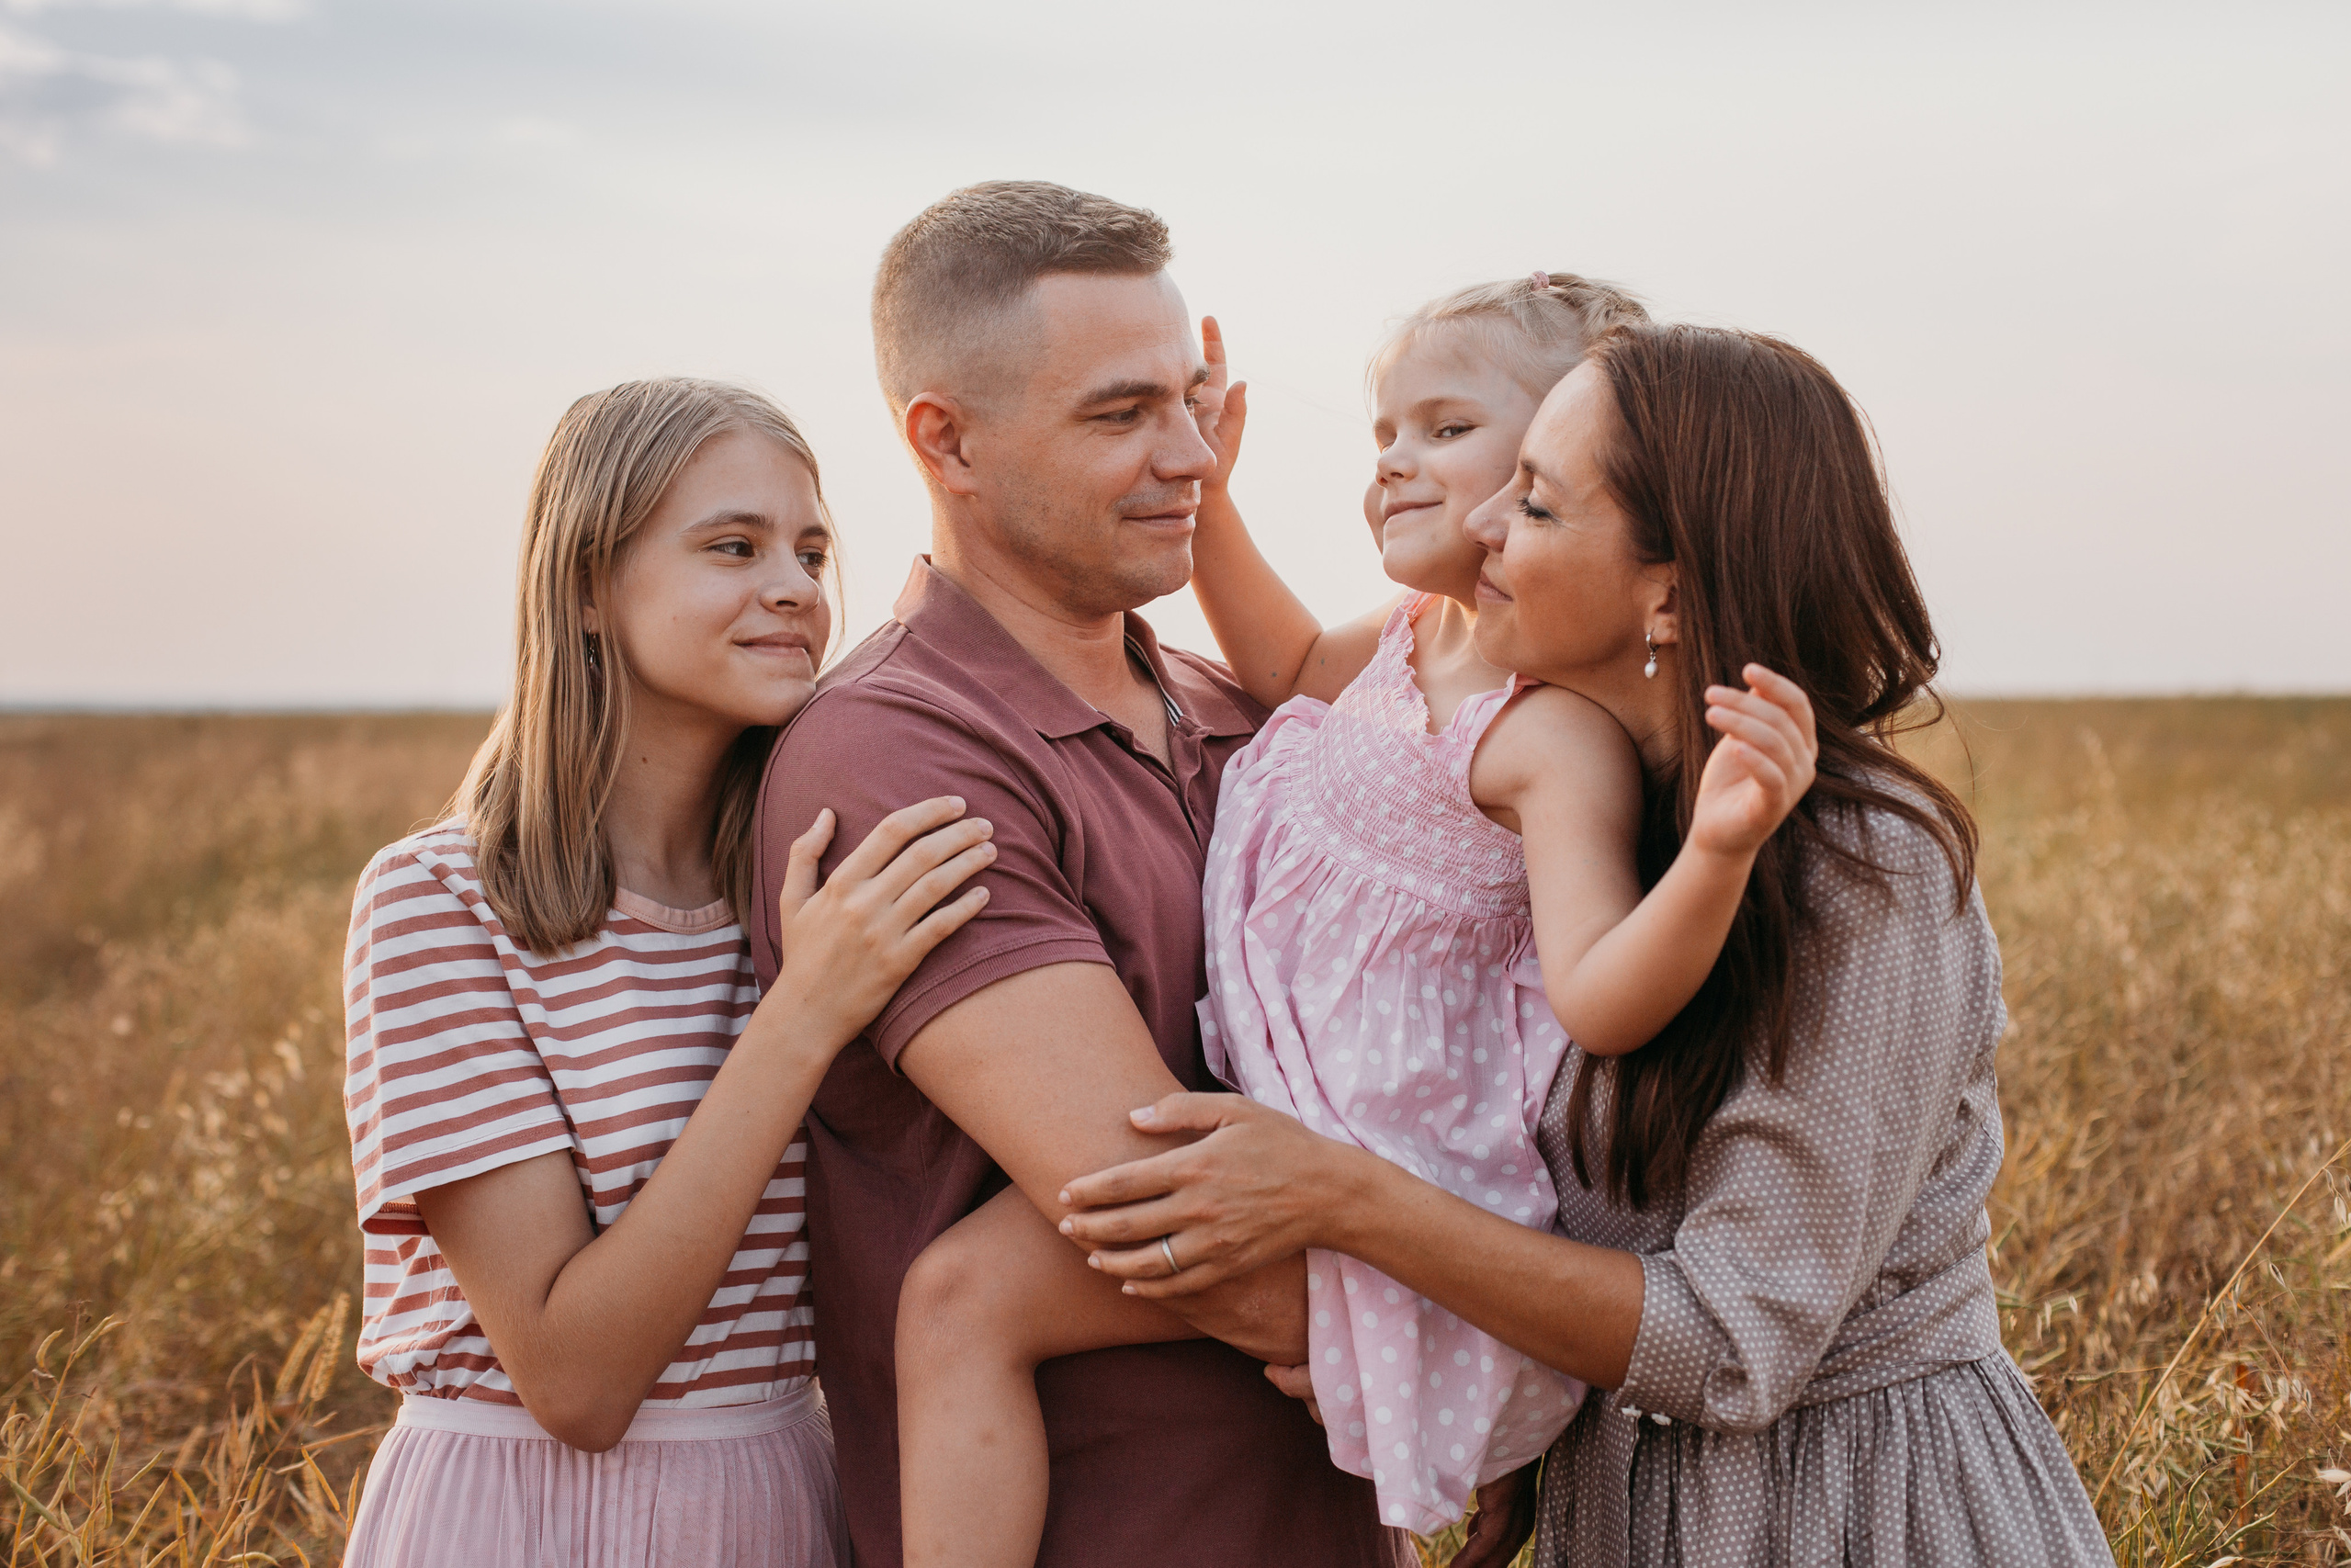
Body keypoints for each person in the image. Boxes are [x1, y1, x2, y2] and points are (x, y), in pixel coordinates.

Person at [1061, 323, 2118, 1567]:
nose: (1488, 528)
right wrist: (1529, 1418)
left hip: (1847, 1511)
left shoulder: (1859, 868)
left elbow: (1733, 1339)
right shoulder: (1576, 827)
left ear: (1667, 588)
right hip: (1626, 1501)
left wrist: (1339, 1199)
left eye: (1540, 505)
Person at [898, 270, 1821, 1548]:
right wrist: (1210, 496)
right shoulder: (1410, 639)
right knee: (959, 1301)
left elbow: (1600, 994)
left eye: (1447, 431)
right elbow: (1278, 667)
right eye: (1384, 433)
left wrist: (1717, 854)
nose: (1394, 464)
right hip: (1293, 1126)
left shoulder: (1548, 736)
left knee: (963, 1298)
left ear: (1574, 465)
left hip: (1388, 1177)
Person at [751, 181, 1411, 1568]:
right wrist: (1534, 1338)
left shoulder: (1244, 717)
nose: (1189, 458)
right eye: (1120, 415)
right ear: (948, 441)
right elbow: (1169, 1212)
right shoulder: (899, 754)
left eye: (1193, 401)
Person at [341, 378, 996, 1567]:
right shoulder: (437, 904)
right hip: (522, 1516)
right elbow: (577, 1380)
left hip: (780, 1496)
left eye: (810, 549)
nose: (795, 587)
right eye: (733, 547)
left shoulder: (811, 893)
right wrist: (803, 1017)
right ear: (589, 587)